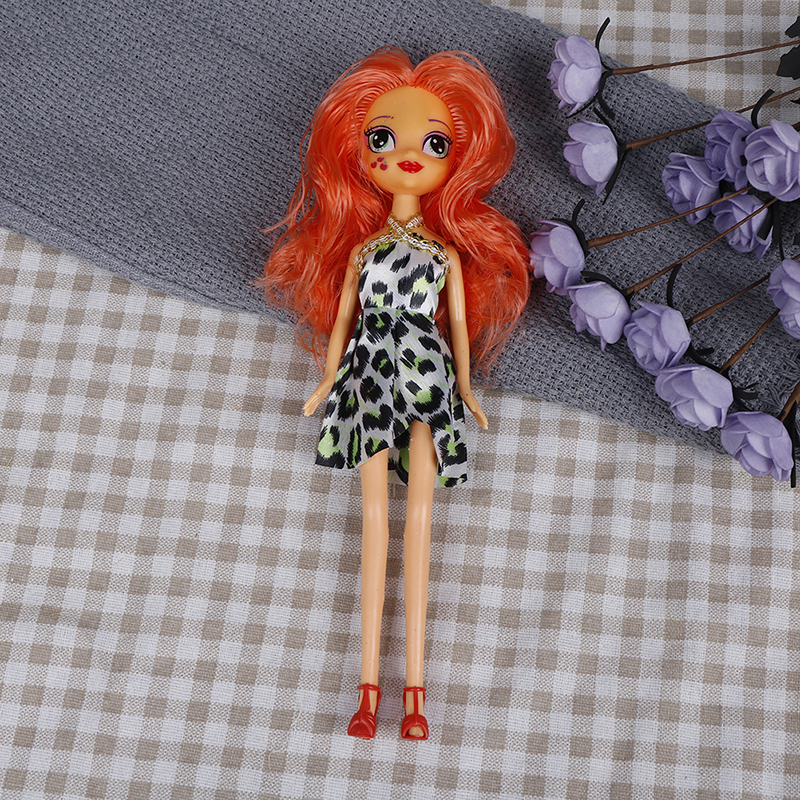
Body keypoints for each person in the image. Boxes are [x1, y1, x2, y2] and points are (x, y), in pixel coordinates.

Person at [263, 46, 530, 740]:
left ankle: (413, 693)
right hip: (369, 371)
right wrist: (328, 379)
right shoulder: (361, 252)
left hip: (427, 371)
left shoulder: (444, 254)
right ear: (356, 154)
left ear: (459, 159)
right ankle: (366, 690)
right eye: (383, 138)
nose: (409, 155)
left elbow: (459, 326)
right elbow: (344, 319)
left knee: (418, 520)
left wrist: (466, 387)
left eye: (434, 144)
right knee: (376, 520)